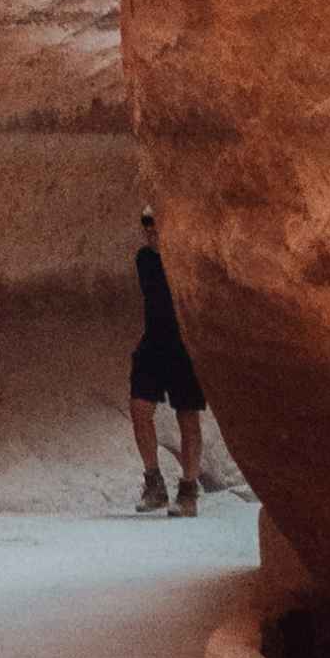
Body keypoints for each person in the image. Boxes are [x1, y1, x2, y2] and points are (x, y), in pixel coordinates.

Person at [130, 200, 212, 514]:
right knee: (139, 408)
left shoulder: (187, 260)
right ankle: (154, 483)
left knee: (188, 416)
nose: (150, 230)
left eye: (155, 223)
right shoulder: (145, 260)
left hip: (185, 345)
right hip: (155, 342)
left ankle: (188, 491)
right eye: (146, 224)